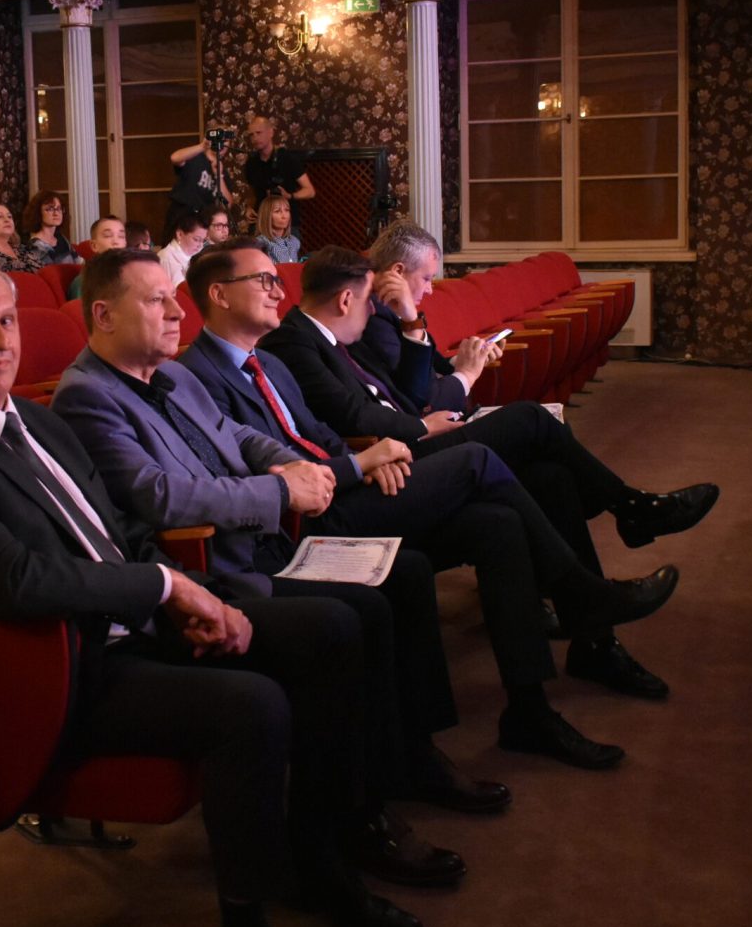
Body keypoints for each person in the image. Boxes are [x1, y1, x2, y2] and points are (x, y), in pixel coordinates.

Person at [0, 255, 426, 927]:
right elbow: (14, 580)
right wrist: (166, 585)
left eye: (7, 320)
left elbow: (124, 531)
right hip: (66, 665)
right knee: (252, 704)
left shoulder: (36, 422)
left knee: (333, 629)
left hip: (135, 620)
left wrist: (183, 593)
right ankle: (249, 916)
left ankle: (326, 849)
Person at [55, 249, 518, 819]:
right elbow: (161, 496)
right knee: (356, 612)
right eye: (157, 300)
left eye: (173, 297)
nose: (177, 312)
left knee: (408, 570)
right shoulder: (85, 395)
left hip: (269, 534)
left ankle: (411, 753)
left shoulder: (171, 372)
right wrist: (281, 491)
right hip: (216, 564)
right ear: (103, 315)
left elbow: (236, 435)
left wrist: (301, 470)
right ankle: (355, 805)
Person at [177, 242, 665, 758]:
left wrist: (368, 461)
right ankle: (583, 589)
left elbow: (321, 434)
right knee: (482, 455)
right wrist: (360, 464)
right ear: (220, 295)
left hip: (352, 481)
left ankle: (530, 710)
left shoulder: (269, 363)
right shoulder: (197, 378)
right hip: (307, 520)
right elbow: (257, 471)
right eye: (265, 281)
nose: (280, 292)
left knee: (499, 520)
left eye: (278, 280)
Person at [263, 247, 718, 697]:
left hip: (400, 445)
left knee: (550, 477)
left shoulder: (336, 338)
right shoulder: (295, 342)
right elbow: (353, 418)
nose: (374, 308)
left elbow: (396, 397)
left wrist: (422, 350)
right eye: (368, 300)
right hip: (393, 458)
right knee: (528, 419)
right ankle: (626, 515)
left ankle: (595, 639)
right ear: (347, 299)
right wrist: (406, 435)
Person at [242, 116, 315, 236]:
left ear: (270, 132)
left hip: (285, 224)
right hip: (261, 222)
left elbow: (310, 191)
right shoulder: (251, 162)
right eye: (251, 135)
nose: (255, 138)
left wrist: (290, 196)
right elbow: (252, 192)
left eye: (259, 133)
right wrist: (249, 208)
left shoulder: (287, 159)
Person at [166, 135, 232, 240]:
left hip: (203, 220)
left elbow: (226, 205)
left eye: (226, 140)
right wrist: (202, 146)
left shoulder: (223, 172)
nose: (222, 143)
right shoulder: (194, 157)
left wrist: (219, 175)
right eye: (219, 139)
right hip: (181, 213)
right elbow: (175, 158)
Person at [67, 215, 126, 300]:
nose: (116, 241)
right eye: (108, 235)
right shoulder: (85, 281)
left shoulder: (132, 274)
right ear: (94, 245)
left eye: (121, 236)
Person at [21, 191, 77, 265]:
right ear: (38, 213)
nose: (56, 213)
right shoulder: (35, 246)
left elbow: (78, 262)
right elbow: (51, 271)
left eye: (59, 208)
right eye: (50, 209)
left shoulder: (61, 238)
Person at [158, 210, 207, 289]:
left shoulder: (198, 255)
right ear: (180, 234)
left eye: (203, 241)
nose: (200, 245)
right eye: (196, 239)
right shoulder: (167, 258)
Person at [255, 192, 301, 264]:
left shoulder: (294, 241)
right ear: (266, 216)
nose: (284, 216)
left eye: (287, 210)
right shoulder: (261, 242)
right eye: (277, 211)